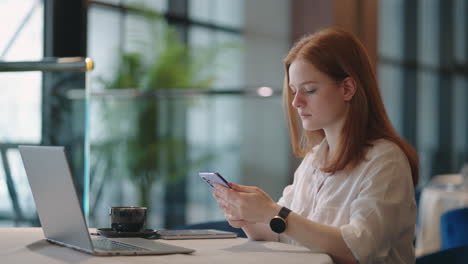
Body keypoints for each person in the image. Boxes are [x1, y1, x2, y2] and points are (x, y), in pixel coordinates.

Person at [213, 28, 418, 264]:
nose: (296, 102)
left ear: (347, 89)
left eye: (309, 90)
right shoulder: (314, 160)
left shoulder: (385, 161)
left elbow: (359, 250)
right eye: (293, 91)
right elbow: (282, 233)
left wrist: (274, 212)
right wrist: (248, 216)